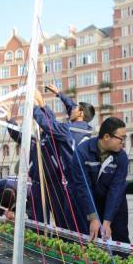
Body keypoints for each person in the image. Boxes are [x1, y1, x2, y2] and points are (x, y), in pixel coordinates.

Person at [33, 86, 95, 232]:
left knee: (72, 221)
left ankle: (78, 249)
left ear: (80, 113)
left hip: (73, 182)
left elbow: (48, 125)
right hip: (83, 180)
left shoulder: (68, 130)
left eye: (75, 109)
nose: (71, 110)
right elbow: (72, 107)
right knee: (80, 220)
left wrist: (35, 107)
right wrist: (58, 94)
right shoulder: (85, 128)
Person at [71, 117, 129, 242]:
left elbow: (117, 189)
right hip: (92, 200)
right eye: (121, 138)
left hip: (115, 201)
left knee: (121, 234)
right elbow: (83, 186)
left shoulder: (121, 156)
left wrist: (107, 222)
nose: (124, 142)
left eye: (125, 138)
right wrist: (93, 217)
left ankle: (123, 258)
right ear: (107, 137)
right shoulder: (82, 153)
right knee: (94, 234)